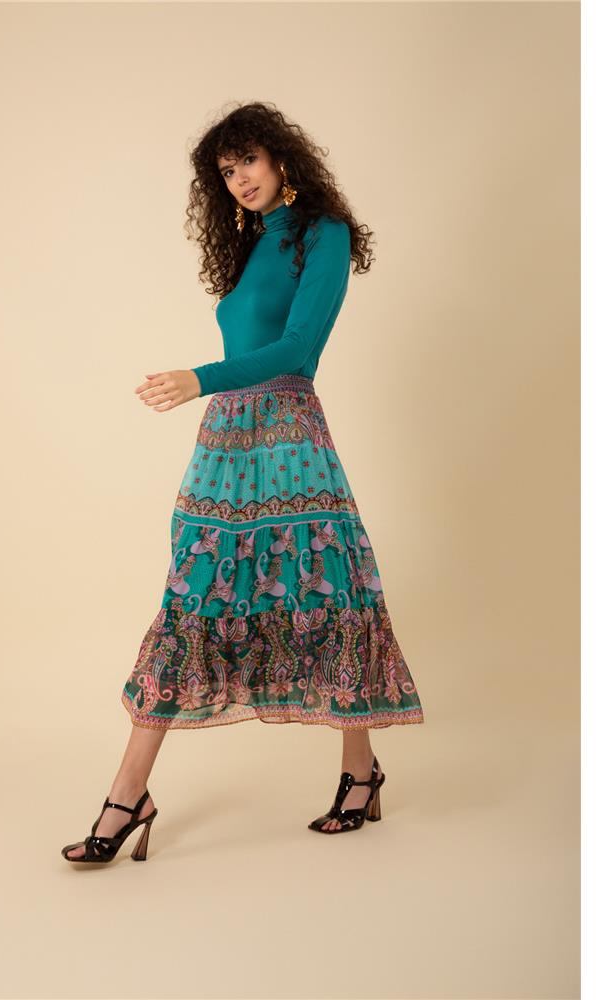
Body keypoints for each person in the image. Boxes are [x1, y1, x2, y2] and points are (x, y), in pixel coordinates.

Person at [61, 102, 424, 865]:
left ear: (283, 157)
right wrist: (212, 389)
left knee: (328, 593)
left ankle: (360, 772)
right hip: (227, 441)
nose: (239, 180)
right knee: (192, 596)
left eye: (248, 161)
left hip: (290, 439)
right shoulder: (251, 243)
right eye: (226, 172)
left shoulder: (324, 235)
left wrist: (199, 376)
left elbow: (297, 347)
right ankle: (131, 793)